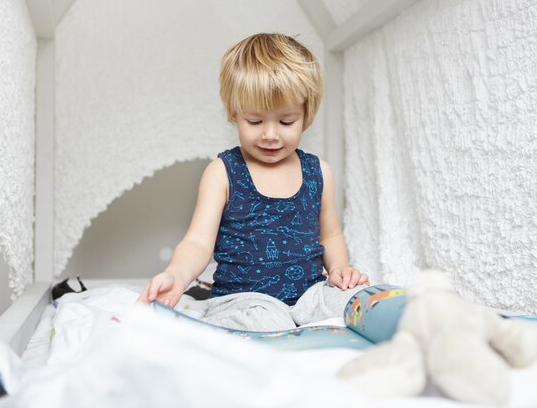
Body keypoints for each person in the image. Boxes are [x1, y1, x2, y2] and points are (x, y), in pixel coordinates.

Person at [138, 33, 369, 329]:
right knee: (266, 320)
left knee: (362, 298)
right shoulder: (223, 172)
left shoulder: (318, 171)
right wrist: (176, 276)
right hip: (245, 300)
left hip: (310, 296)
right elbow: (197, 242)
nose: (270, 134)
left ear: (305, 115)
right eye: (255, 121)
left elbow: (330, 236)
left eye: (286, 122)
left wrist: (340, 270)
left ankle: (419, 325)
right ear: (235, 114)